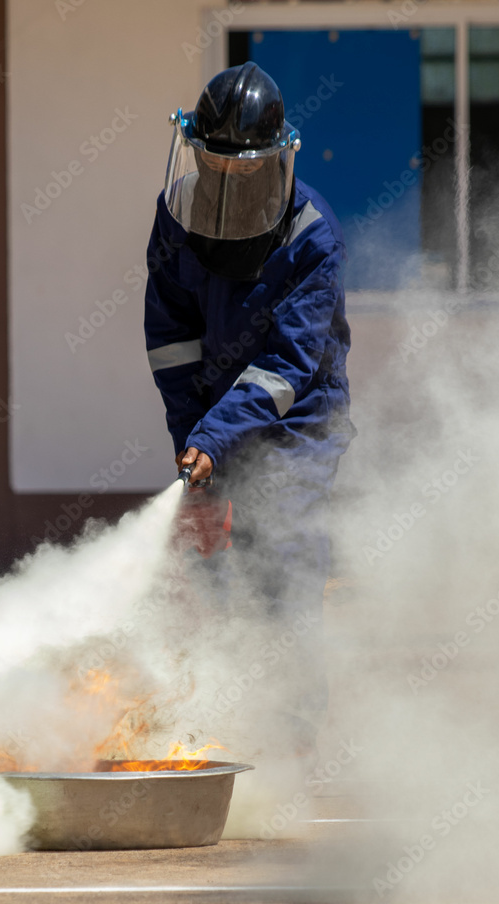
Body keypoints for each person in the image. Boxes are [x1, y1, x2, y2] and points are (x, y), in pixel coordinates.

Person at [144, 62, 355, 759]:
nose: (228, 184)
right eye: (215, 167)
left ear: (276, 158)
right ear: (194, 150)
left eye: (244, 171)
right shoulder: (175, 215)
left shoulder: (312, 236)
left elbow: (288, 367)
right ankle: (222, 716)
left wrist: (214, 435)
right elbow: (172, 343)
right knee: (210, 566)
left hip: (298, 420)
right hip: (212, 413)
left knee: (280, 559)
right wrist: (194, 445)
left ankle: (289, 742)